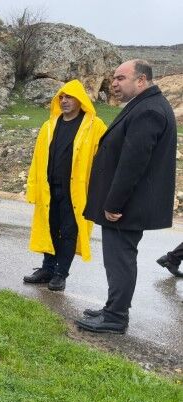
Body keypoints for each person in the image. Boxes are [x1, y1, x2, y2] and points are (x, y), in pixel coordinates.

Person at [77, 59, 177, 334]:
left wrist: (113, 203)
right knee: (118, 258)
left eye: (121, 78)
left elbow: (133, 163)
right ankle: (113, 308)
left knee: (120, 259)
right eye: (114, 78)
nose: (115, 83)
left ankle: (116, 317)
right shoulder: (144, 105)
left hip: (126, 206)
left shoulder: (149, 111)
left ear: (141, 80)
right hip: (127, 204)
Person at [23, 80, 107, 291]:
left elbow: (105, 161)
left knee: (69, 231)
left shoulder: (94, 126)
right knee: (49, 229)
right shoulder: (49, 126)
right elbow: (37, 159)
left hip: (76, 191)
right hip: (50, 188)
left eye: (69, 97)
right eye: (61, 97)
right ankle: (47, 268)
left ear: (80, 100)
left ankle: (61, 273)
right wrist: (33, 187)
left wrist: (99, 191)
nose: (64, 101)